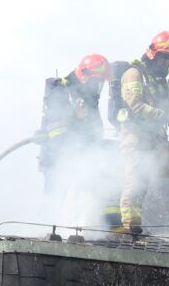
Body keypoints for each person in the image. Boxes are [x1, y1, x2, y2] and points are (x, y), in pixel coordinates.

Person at [114, 31, 169, 235]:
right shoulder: (135, 74)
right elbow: (135, 105)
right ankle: (130, 227)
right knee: (137, 180)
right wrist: (161, 114)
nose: (166, 64)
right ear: (153, 54)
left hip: (157, 142)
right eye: (164, 58)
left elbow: (165, 106)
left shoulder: (157, 79)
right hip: (136, 139)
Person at [38, 53, 120, 227]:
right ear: (85, 75)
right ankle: (45, 232)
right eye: (97, 82)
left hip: (81, 156)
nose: (98, 86)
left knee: (94, 187)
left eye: (101, 83)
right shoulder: (62, 90)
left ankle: (94, 228)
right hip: (58, 158)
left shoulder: (88, 100)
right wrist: (79, 148)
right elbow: (57, 130)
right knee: (55, 194)